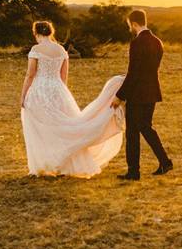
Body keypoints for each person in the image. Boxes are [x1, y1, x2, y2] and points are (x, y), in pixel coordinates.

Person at [20, 20, 124, 177]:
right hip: (58, 90)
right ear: (51, 32)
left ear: (36, 33)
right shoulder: (61, 50)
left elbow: (30, 74)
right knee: (63, 127)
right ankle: (63, 164)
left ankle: (45, 164)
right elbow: (63, 76)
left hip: (39, 91)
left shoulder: (36, 49)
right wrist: (61, 94)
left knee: (42, 129)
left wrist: (23, 95)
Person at [111, 9, 173, 181]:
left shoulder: (137, 43)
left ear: (134, 24)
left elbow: (134, 73)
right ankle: (165, 161)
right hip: (152, 91)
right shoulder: (157, 42)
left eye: (129, 25)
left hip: (138, 94)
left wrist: (120, 95)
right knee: (146, 127)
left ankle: (133, 171)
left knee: (132, 132)